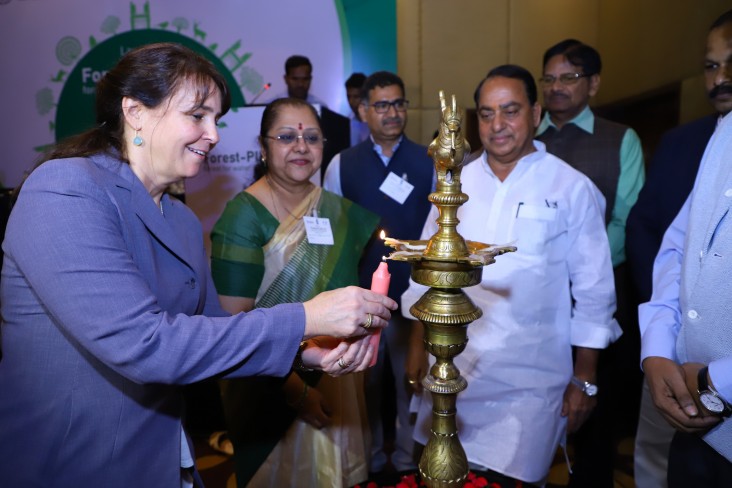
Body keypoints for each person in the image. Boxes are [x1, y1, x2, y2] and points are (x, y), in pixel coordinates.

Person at [0, 43, 396, 488]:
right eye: (197, 115)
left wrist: (308, 350)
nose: (214, 134)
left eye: (216, 120)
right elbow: (146, 345)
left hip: (165, 460)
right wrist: (307, 316)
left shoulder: (184, 222)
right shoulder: (66, 190)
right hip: (74, 465)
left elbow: (212, 328)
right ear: (135, 112)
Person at [403, 65, 621, 486]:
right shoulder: (454, 181)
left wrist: (585, 378)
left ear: (536, 113)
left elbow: (595, 290)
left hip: (531, 381)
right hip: (452, 369)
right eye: (486, 114)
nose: (497, 125)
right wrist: (416, 346)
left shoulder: (570, 187)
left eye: (510, 111)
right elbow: (427, 269)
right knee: (442, 475)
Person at [210, 97, 379, 487]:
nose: (301, 146)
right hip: (271, 389)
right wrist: (296, 392)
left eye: (312, 137)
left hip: (339, 379)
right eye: (286, 136)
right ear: (264, 146)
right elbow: (233, 325)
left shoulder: (337, 211)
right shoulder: (243, 216)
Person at [628, 10, 732, 487]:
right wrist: (656, 349)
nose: (721, 79)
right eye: (711, 65)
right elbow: (677, 249)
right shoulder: (720, 137)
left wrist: (718, 382)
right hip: (694, 416)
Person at [535, 38, 645, 487]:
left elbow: (626, 219)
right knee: (536, 408)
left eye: (569, 78)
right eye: (549, 78)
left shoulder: (620, 139)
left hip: (601, 295)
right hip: (537, 297)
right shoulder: (525, 139)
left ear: (593, 84)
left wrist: (580, 267)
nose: (557, 87)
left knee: (594, 412)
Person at [324, 71, 433, 479]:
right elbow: (334, 235)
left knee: (413, 383)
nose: (393, 113)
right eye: (382, 105)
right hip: (362, 301)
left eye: (399, 103)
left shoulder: (428, 161)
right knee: (364, 386)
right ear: (363, 110)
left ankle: (407, 464)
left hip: (414, 298)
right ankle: (364, 464)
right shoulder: (343, 164)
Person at [261, 55, 327, 107]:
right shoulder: (271, 106)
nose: (300, 84)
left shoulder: (320, 107)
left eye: (305, 79)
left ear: (310, 79)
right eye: (295, 79)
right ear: (286, 79)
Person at [345, 72, 370, 146]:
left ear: (366, 96)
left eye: (356, 97)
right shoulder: (347, 122)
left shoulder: (376, 121)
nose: (351, 101)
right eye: (348, 97)